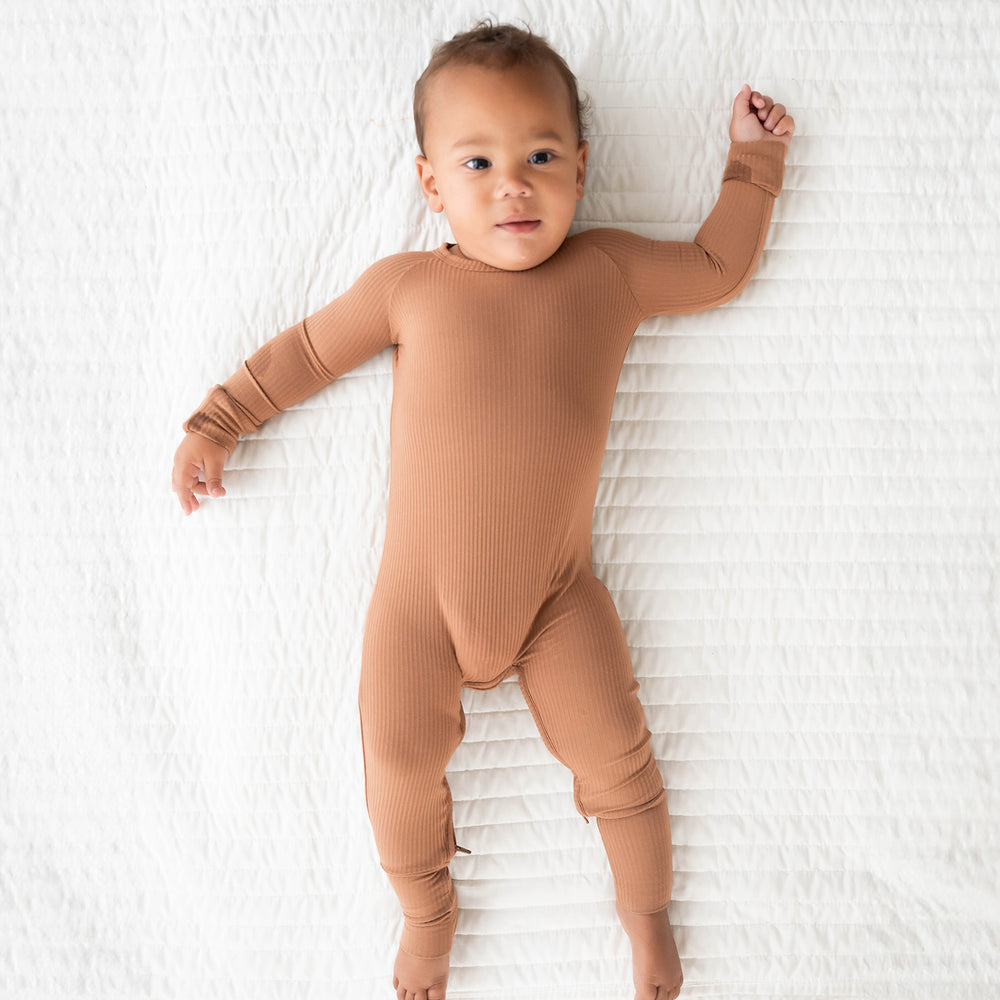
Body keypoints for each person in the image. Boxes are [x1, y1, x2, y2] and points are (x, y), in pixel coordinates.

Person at [171, 20, 794, 1000]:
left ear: (581, 168)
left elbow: (717, 269)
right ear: (432, 186)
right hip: (418, 609)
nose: (514, 184)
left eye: (541, 156)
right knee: (393, 755)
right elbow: (303, 353)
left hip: (557, 598)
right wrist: (217, 421)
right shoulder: (408, 287)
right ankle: (426, 916)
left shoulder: (608, 272)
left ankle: (647, 919)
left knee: (619, 756)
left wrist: (751, 165)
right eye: (480, 162)